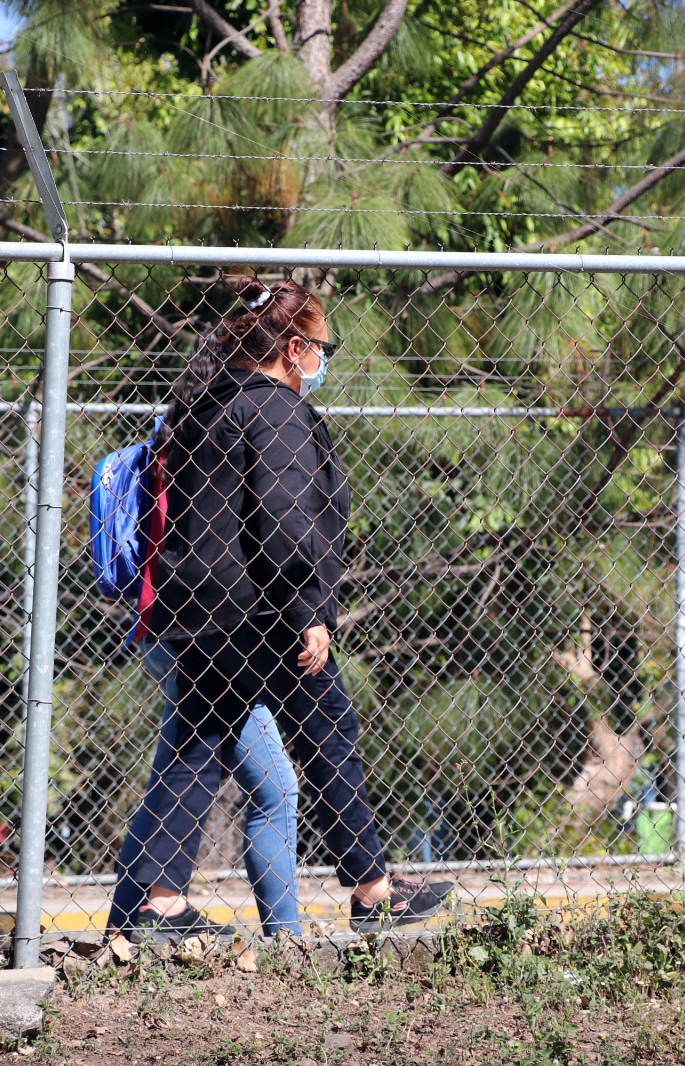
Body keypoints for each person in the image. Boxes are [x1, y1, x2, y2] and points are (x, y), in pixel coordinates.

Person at [117, 276, 451, 941]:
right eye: (324, 346)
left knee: (196, 748)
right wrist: (309, 607)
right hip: (265, 615)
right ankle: (373, 890)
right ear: (294, 346)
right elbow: (287, 516)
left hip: (199, 611)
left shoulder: (202, 406)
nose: (325, 360)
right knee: (330, 737)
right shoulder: (276, 412)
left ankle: (160, 903)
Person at [111, 342, 302, 936]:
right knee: (276, 790)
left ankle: (128, 926)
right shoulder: (225, 437)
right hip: (203, 634)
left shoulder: (184, 432)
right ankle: (287, 939)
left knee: (175, 777)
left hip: (167, 627)